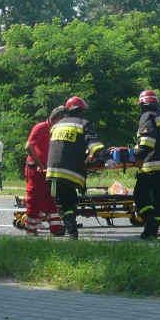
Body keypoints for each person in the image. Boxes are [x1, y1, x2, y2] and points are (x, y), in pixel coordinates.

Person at [46, 97, 113, 239]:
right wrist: (106, 157)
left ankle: (72, 230)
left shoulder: (56, 126)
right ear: (81, 111)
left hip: (53, 171)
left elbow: (62, 147)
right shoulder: (83, 124)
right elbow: (93, 144)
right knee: (69, 201)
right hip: (71, 172)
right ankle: (72, 231)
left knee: (63, 204)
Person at [133, 90, 160, 240]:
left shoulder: (147, 116)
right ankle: (151, 231)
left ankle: (148, 219)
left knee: (140, 194)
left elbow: (147, 142)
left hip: (153, 165)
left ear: (142, 104)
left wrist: (137, 155)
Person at [24, 106, 67, 237]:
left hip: (49, 170)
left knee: (51, 198)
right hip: (36, 169)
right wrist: (39, 162)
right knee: (35, 199)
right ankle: (30, 230)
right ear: (58, 118)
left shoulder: (56, 130)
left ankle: (56, 227)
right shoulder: (41, 127)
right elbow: (28, 146)